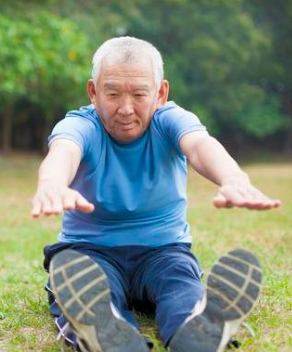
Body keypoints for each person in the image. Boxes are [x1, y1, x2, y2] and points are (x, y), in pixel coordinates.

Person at [31, 36, 281, 352]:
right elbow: (64, 151)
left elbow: (200, 147)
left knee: (179, 286)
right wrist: (52, 182)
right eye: (112, 93)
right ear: (93, 92)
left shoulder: (170, 120)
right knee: (89, 288)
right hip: (89, 251)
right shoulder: (82, 124)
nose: (125, 108)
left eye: (138, 94)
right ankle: (106, 330)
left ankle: (196, 324)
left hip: (163, 250)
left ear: (160, 93)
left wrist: (232, 177)